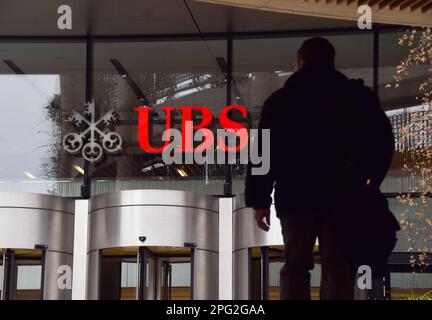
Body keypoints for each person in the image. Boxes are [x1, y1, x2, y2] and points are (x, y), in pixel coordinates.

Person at [245, 37, 395, 300]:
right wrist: (368, 181)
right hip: (342, 197)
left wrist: (260, 200)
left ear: (300, 61)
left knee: (295, 266)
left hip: (295, 196)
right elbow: (382, 141)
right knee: (338, 267)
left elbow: (262, 153)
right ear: (331, 61)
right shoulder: (355, 97)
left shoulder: (280, 101)